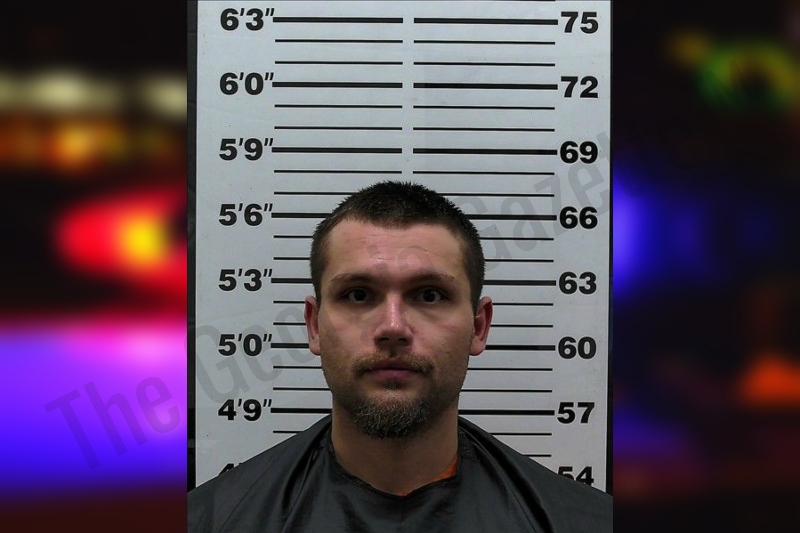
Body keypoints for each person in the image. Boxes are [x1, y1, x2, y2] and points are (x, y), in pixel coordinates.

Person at [188, 181, 612, 532]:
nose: (392, 327)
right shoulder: (208, 521)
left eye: (429, 295)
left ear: (478, 327)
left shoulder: (585, 522)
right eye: (358, 295)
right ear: (314, 326)